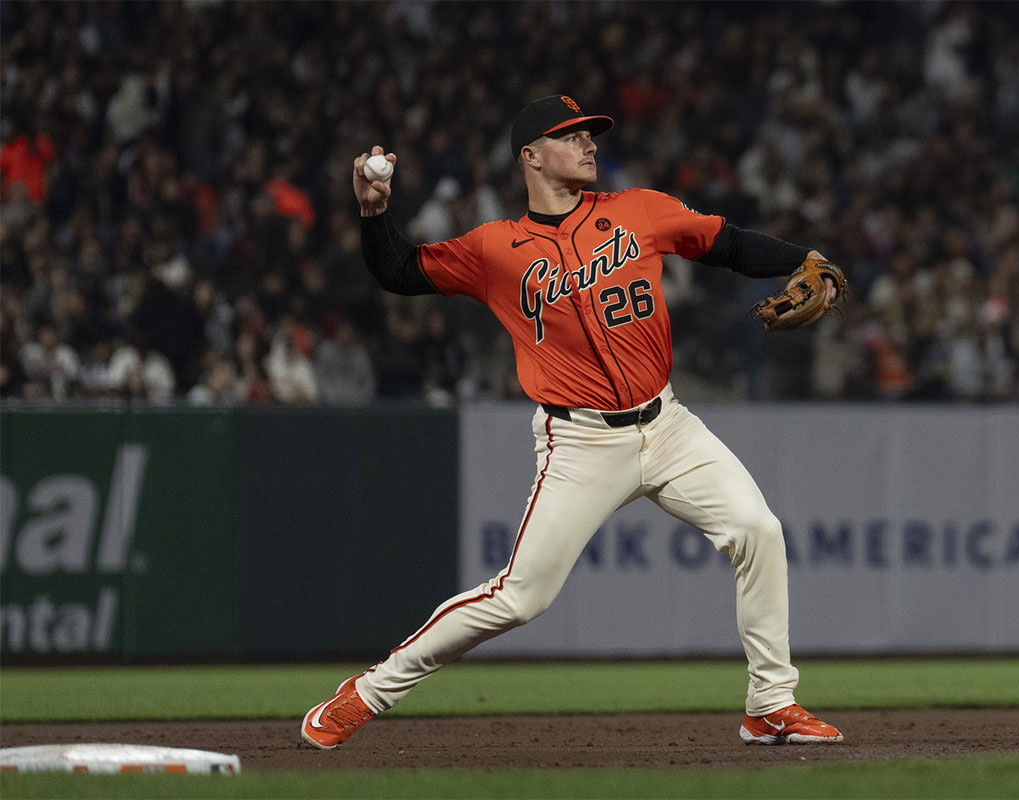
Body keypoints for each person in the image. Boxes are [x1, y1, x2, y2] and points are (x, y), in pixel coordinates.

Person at [301, 95, 844, 749]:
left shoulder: (640, 209)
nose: (588, 144)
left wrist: (803, 258)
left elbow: (728, 244)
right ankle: (368, 692)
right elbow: (397, 271)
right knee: (519, 598)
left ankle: (770, 706)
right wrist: (373, 211)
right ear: (530, 156)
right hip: (579, 440)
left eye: (590, 134)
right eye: (569, 136)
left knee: (758, 531)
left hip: (669, 425)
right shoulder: (495, 248)